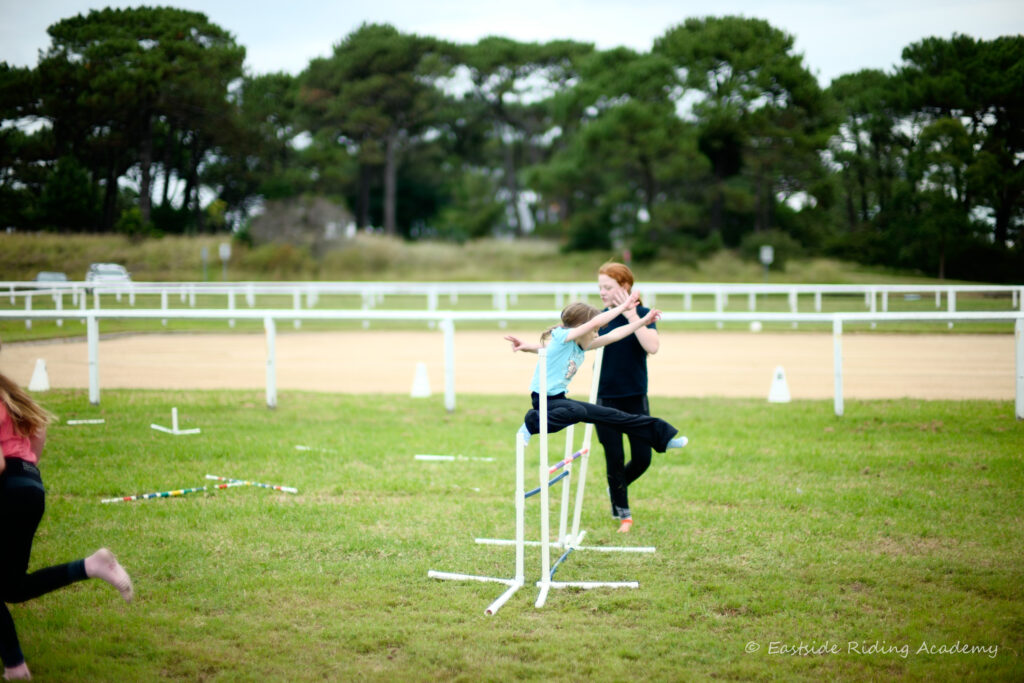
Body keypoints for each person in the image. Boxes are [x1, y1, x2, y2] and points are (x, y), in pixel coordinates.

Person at [1, 340, 133, 681]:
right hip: (30, 487)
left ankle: (15, 667)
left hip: (8, 489)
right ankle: (91, 565)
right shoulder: (6, 392)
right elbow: (39, 430)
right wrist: (26, 474)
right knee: (12, 588)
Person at [504, 291, 687, 460]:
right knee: (578, 411)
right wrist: (623, 307)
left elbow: (614, 335)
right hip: (543, 400)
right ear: (582, 328)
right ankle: (531, 422)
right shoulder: (563, 336)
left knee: (615, 416)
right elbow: (592, 324)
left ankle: (662, 436)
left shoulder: (581, 345)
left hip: (559, 400)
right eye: (594, 330)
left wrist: (642, 321)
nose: (597, 334)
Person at [594, 262, 661, 533]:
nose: (602, 292)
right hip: (605, 399)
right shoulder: (600, 317)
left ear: (625, 287)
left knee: (643, 458)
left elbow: (652, 347)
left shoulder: (644, 314)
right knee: (614, 457)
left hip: (635, 397)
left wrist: (634, 316)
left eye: (607, 287)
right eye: (599, 287)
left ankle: (615, 487)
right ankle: (624, 514)